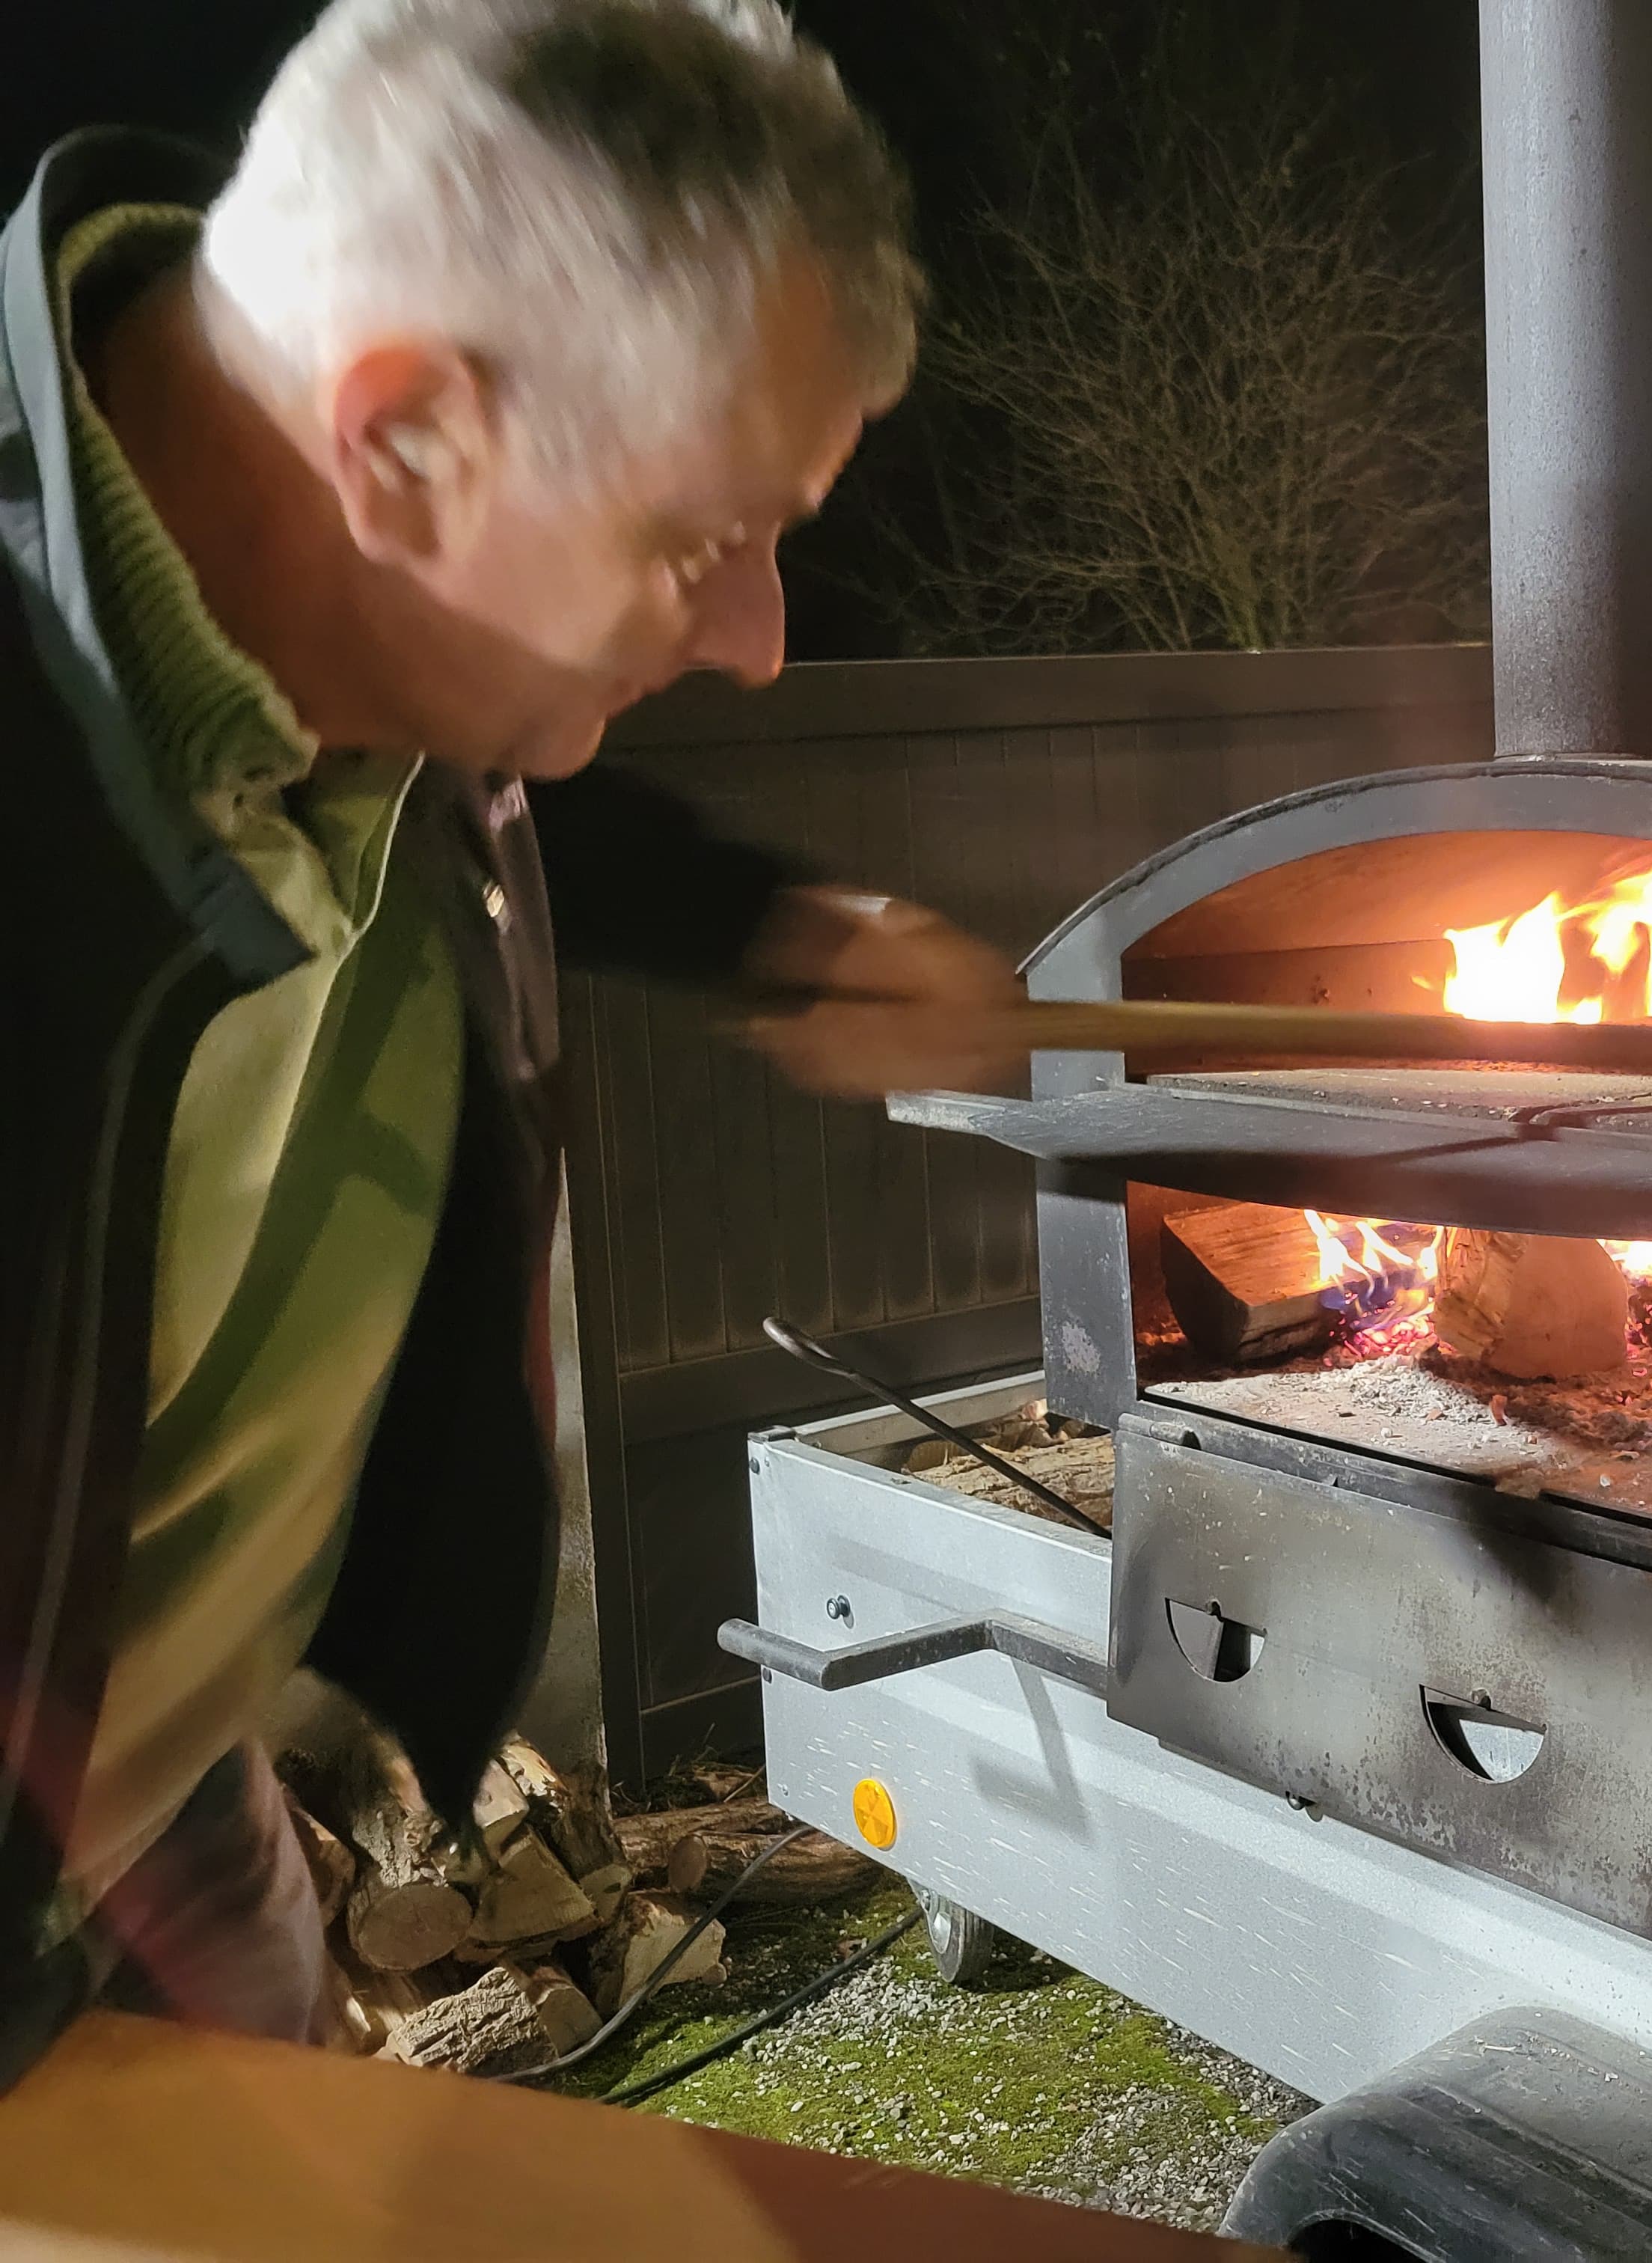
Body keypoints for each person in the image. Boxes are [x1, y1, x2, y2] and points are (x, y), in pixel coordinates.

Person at [1, 0, 1032, 2078]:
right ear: (398, 442)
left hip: (174, 1781)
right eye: (695, 543)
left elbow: (485, 766)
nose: (760, 643)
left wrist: (764, 926)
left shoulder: (327, 573)